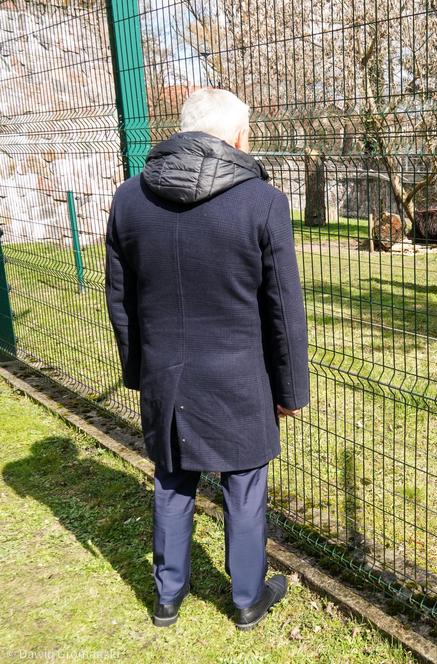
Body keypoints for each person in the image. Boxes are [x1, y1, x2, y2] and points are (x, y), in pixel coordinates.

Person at [104, 88, 310, 630]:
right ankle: (246, 598)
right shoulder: (262, 202)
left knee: (173, 483)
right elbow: (284, 309)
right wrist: (290, 392)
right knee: (244, 488)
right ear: (236, 136)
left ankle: (167, 596)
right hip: (241, 379)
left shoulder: (128, 198)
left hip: (165, 376)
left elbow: (120, 299)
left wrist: (137, 370)